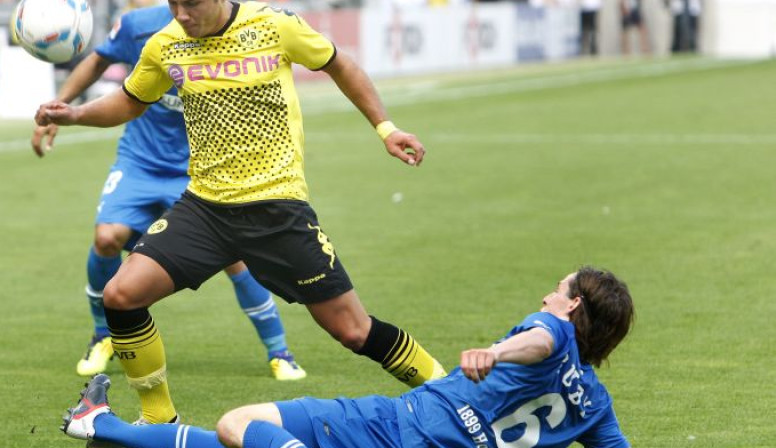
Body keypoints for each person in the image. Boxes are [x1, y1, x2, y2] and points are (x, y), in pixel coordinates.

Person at [36, 0, 446, 426]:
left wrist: (386, 128)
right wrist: (75, 114)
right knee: (121, 296)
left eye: (191, 4)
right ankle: (159, 419)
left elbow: (340, 65)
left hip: (277, 210)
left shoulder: (275, 26)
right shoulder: (165, 44)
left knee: (353, 331)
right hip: (204, 209)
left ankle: (452, 393)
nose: (181, 14)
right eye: (174, 3)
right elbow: (130, 101)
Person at [32, 4, 307, 384]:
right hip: (141, 161)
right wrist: (62, 104)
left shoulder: (236, 28)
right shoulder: (139, 26)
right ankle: (102, 336)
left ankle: (279, 351)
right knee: (106, 237)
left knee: (235, 258)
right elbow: (98, 60)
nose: (184, 11)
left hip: (200, 166)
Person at [63, 266, 635, 448]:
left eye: (558, 291)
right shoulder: (596, 404)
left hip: (398, 427)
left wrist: (496, 349)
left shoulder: (552, 331)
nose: (545, 296)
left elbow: (540, 337)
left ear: (573, 306)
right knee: (243, 441)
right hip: (404, 423)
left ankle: (99, 424)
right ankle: (99, 424)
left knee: (238, 423)